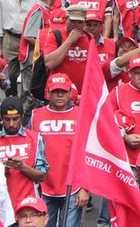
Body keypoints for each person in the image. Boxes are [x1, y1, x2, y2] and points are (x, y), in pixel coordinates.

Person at [27, 73, 87, 227]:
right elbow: (29, 149)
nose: (59, 95)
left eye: (63, 91)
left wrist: (85, 187)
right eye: (55, 91)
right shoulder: (35, 115)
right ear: (47, 93)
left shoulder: (82, 115)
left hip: (73, 187)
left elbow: (88, 153)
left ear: (70, 93)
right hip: (43, 186)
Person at [0, 97, 48, 209]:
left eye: (15, 119)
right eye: (7, 119)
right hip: (0, 207)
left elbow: (42, 176)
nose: (11, 124)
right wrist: (1, 171)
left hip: (28, 205)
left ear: (22, 117)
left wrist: (22, 167)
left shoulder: (36, 138)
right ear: (1, 118)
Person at [0, 0, 37, 97]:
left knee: (28, 76)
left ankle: (26, 107)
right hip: (10, 39)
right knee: (10, 76)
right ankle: (11, 101)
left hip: (30, 40)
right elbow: (0, 21)